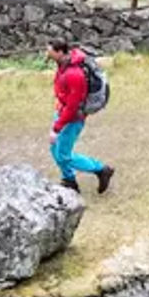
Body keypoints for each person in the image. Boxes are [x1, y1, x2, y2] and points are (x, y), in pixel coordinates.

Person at [49, 38, 113, 195]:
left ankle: (100, 169)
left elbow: (73, 106)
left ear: (59, 52)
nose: (47, 53)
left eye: (50, 50)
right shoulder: (64, 65)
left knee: (63, 155)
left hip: (72, 118)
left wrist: (57, 128)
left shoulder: (74, 74)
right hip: (63, 112)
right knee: (55, 148)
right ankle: (69, 180)